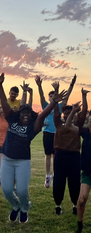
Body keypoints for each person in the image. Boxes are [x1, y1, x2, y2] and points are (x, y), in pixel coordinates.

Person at [0, 73, 67, 223]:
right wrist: (0, 86)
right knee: (7, 190)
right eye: (23, 112)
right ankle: (15, 206)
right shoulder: (12, 118)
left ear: (31, 115)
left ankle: (24, 208)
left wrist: (54, 102)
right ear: (19, 113)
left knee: (22, 190)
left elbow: (42, 116)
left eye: (28, 112)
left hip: (23, 162)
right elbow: (5, 103)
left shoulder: (33, 128)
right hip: (7, 160)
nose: (26, 114)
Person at [35, 75, 76, 188]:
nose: (53, 96)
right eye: (51, 96)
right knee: (48, 154)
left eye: (54, 95)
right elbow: (41, 96)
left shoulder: (59, 105)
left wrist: (71, 85)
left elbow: (67, 96)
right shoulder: (45, 105)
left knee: (56, 155)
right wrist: (39, 85)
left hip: (57, 133)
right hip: (47, 132)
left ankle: (55, 174)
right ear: (49, 98)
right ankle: (48, 176)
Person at [53, 87, 88, 216]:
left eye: (70, 112)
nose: (68, 114)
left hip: (74, 156)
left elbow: (84, 111)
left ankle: (75, 204)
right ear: (64, 114)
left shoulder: (77, 126)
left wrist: (83, 96)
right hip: (61, 155)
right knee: (59, 181)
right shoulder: (58, 124)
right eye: (66, 112)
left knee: (74, 182)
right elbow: (55, 113)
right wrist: (56, 96)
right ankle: (58, 205)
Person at [76, 114, 91, 233]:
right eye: (90, 121)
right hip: (87, 173)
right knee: (81, 200)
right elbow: (78, 123)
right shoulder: (85, 132)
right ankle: (80, 225)